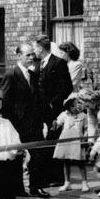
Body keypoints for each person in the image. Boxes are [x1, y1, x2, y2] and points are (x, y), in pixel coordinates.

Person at [0, 43, 46, 197]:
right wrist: (10, 124)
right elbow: (5, 102)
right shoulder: (11, 75)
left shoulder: (33, 75)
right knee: (17, 156)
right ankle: (17, 187)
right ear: (18, 56)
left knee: (38, 155)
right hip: (18, 124)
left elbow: (38, 100)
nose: (32, 58)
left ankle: (36, 187)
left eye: (33, 54)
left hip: (34, 124)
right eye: (28, 55)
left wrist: (42, 120)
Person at [34, 34, 73, 189]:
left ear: (40, 48)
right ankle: (45, 175)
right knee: (43, 142)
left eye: (35, 48)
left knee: (53, 142)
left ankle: (56, 177)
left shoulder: (59, 63)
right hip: (39, 110)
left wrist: (53, 102)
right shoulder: (38, 64)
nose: (33, 51)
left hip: (53, 111)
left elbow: (67, 87)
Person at [52, 93, 89, 192]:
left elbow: (86, 128)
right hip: (66, 141)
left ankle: (84, 183)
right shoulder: (64, 115)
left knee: (81, 162)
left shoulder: (83, 116)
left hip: (78, 141)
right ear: (68, 107)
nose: (75, 107)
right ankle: (67, 182)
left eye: (76, 105)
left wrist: (85, 138)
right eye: (72, 106)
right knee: (66, 162)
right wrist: (54, 125)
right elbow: (57, 125)